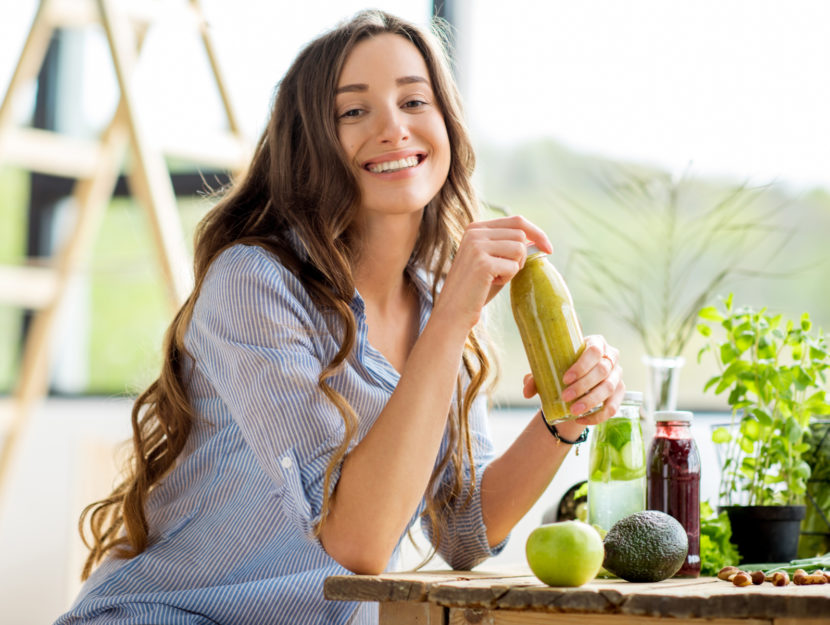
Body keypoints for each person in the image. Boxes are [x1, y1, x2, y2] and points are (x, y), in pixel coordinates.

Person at [55, 9, 624, 625]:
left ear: (448, 126)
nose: (393, 129)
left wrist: (563, 418)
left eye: (414, 100)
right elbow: (355, 544)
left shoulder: (437, 299)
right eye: (353, 112)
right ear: (309, 146)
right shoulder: (256, 283)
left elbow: (463, 528)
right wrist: (453, 317)